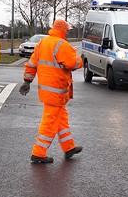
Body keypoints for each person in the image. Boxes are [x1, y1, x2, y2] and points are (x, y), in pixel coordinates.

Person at [18, 19, 84, 163]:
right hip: (57, 91)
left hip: (48, 91)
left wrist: (27, 82)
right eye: (67, 30)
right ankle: (38, 153)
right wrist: (79, 57)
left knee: (61, 119)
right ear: (63, 30)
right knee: (50, 122)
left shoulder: (42, 43)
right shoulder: (62, 45)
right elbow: (73, 63)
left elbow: (31, 64)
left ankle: (69, 148)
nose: (67, 33)